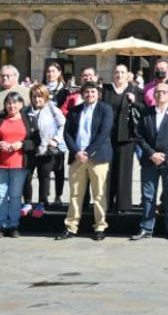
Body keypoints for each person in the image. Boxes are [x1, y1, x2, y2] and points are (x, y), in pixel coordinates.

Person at [57, 82, 113, 241]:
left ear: (98, 93)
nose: (90, 94)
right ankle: (71, 227)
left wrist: (87, 152)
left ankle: (100, 227)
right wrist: (76, 152)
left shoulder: (105, 109)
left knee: (99, 194)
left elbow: (103, 133)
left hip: (98, 157)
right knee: (75, 194)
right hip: (77, 158)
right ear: (82, 94)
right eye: (87, 92)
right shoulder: (74, 111)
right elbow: (67, 134)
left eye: (93, 92)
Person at [130, 82, 168, 241]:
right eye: (158, 92)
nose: (160, 94)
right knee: (148, 196)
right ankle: (146, 228)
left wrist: (164, 155)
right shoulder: (146, 112)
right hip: (149, 161)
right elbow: (139, 136)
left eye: (164, 92)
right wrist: (152, 154)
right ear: (153, 95)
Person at [100, 64, 143, 214]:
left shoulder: (135, 91)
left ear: (127, 75)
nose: (119, 75)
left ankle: (123, 205)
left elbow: (144, 110)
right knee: (108, 171)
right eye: (117, 72)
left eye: (122, 72)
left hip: (127, 136)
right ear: (113, 74)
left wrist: (134, 101)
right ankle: (108, 203)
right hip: (107, 137)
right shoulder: (105, 90)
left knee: (124, 171)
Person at [0, 91, 36, 237]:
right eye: (8, 102)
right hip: (1, 163)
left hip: (19, 164)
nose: (11, 105)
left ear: (21, 104)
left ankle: (13, 225)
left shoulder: (28, 119)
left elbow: (35, 141)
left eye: (15, 102)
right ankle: (2, 224)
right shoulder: (1, 119)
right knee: (1, 195)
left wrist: (21, 144)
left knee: (15, 195)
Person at [24, 85, 64, 215]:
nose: (37, 99)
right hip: (29, 149)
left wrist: (56, 140)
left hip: (46, 148)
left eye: (40, 96)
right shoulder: (25, 111)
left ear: (45, 97)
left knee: (44, 176)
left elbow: (63, 125)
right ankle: (28, 202)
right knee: (27, 176)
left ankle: (42, 202)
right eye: (34, 96)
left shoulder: (53, 109)